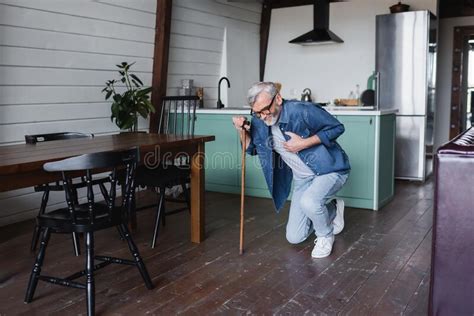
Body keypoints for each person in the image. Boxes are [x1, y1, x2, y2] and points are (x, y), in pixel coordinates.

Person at [232, 82, 350, 258]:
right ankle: (333, 208)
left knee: (309, 202)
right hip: (303, 179)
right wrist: (241, 131)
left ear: (278, 98)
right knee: (295, 237)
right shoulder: (260, 120)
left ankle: (325, 235)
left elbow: (337, 127)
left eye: (265, 109)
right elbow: (252, 150)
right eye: (257, 112)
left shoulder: (301, 110)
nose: (263, 116)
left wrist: (304, 143)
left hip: (329, 170)